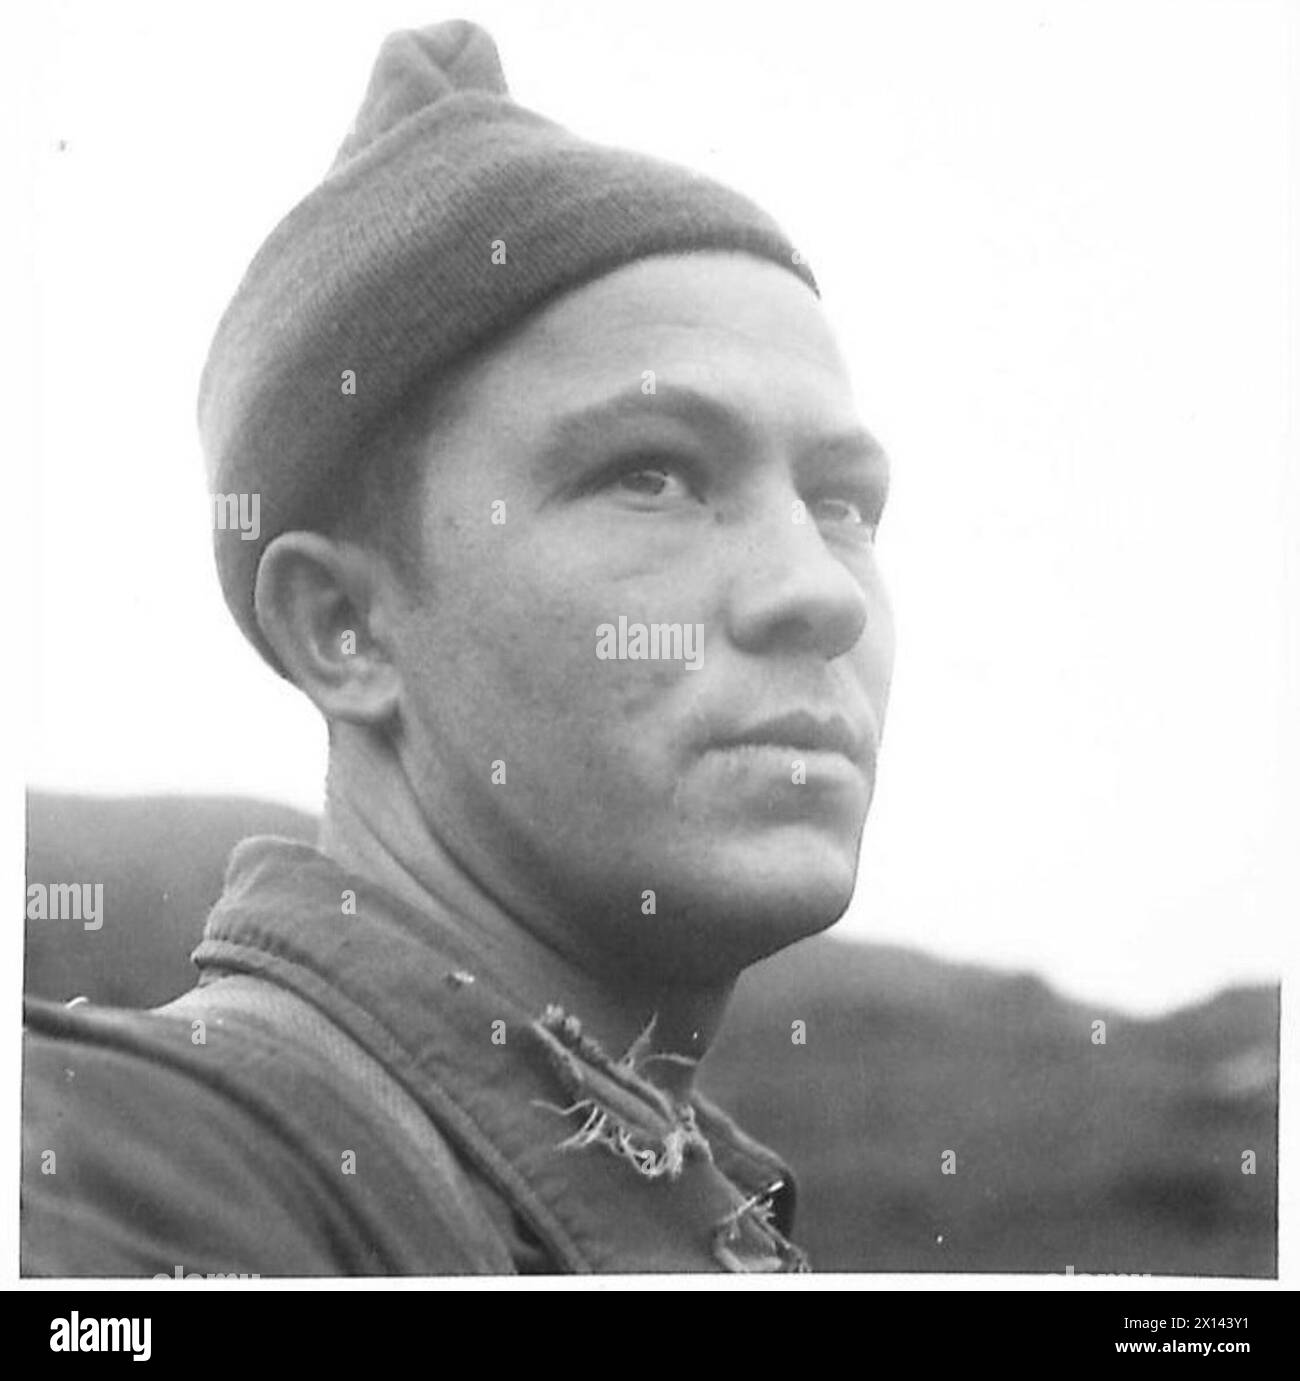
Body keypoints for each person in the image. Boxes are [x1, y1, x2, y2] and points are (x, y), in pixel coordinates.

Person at [22, 18, 894, 1275]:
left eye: (843, 504)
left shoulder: (709, 1217)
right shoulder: (106, 1176)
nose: (821, 593)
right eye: (650, 475)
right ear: (345, 627)